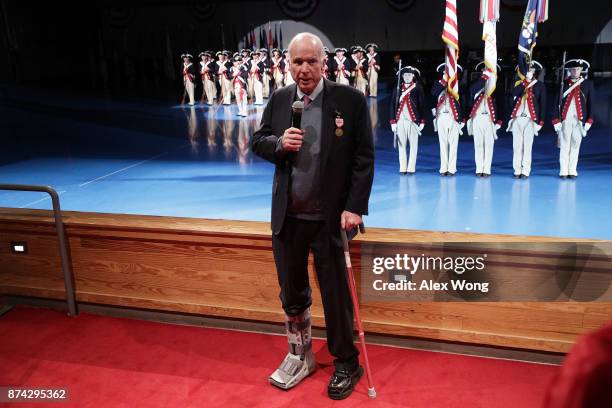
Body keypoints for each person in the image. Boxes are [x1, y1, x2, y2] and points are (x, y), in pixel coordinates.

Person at [250, 32, 374, 400]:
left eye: (310, 62)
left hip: (330, 220)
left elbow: (363, 159)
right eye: (296, 62)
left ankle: (347, 362)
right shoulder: (280, 99)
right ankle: (299, 355)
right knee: (292, 292)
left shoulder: (349, 101)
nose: (303, 69)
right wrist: (278, 145)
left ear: (324, 63)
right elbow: (258, 141)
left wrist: (354, 207)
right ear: (288, 65)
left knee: (335, 296)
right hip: (288, 218)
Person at [552, 59, 594, 179]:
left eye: (578, 69)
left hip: (579, 121)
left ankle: (572, 170)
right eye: (573, 69)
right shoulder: (563, 84)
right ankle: (563, 170)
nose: (575, 71)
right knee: (565, 145)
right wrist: (556, 121)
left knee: (576, 144)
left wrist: (589, 121)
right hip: (566, 119)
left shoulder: (587, 84)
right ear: (570, 71)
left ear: (581, 70)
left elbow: (592, 104)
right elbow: (556, 104)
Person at [507, 60, 546, 179]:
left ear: (535, 72)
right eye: (527, 70)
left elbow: (543, 105)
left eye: (532, 70)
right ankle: (517, 169)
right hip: (518, 118)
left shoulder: (540, 86)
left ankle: (525, 170)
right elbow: (513, 93)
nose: (529, 72)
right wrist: (525, 82)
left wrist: (541, 121)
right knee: (517, 146)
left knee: (527, 146)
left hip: (530, 120)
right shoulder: (518, 84)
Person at [466, 62, 502, 177]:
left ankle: (486, 169)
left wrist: (499, 121)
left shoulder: (496, 86)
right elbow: (472, 90)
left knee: (489, 145)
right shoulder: (477, 82)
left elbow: (502, 104)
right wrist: (484, 78)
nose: (487, 71)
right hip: (477, 117)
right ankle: (479, 168)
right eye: (484, 69)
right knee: (478, 144)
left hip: (490, 119)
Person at [389, 66, 426, 174]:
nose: (407, 77)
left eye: (409, 75)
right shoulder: (397, 88)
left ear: (413, 76)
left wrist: (422, 120)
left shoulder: (418, 88)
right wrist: (393, 121)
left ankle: (411, 168)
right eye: (405, 75)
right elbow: (392, 105)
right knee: (401, 145)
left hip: (413, 121)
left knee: (413, 146)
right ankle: (403, 167)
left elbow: (421, 105)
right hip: (400, 121)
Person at [432, 63, 464, 176]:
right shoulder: (438, 83)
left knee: (453, 144)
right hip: (441, 116)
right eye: (445, 72)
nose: (447, 74)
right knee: (443, 143)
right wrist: (444, 81)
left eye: (449, 72)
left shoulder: (457, 85)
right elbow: (433, 93)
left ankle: (451, 168)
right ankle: (443, 167)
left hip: (453, 117)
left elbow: (463, 102)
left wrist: (463, 119)